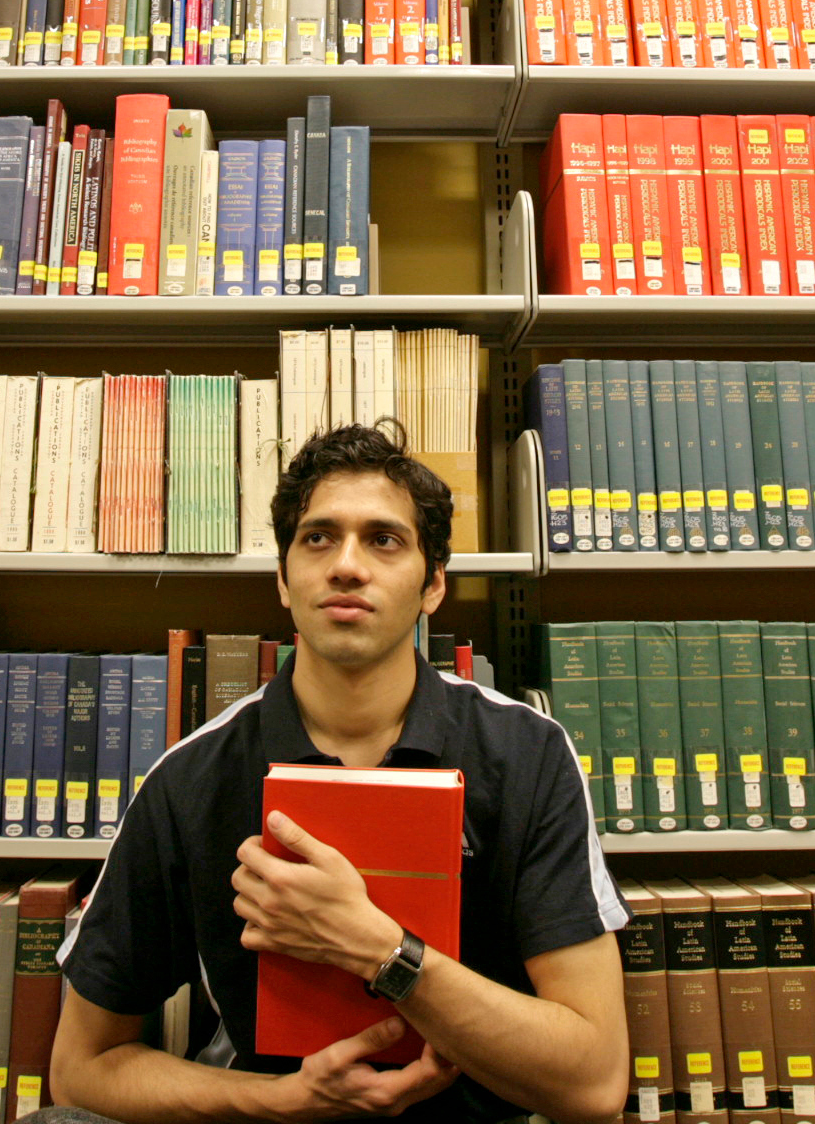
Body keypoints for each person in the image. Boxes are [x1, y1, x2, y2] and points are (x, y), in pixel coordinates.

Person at [48, 422, 628, 1124]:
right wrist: (282, 1102)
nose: (346, 565)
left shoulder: (527, 752)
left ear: (434, 585)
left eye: (384, 540)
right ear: (284, 582)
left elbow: (595, 1085)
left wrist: (380, 950)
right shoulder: (192, 777)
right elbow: (81, 1072)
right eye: (318, 538)